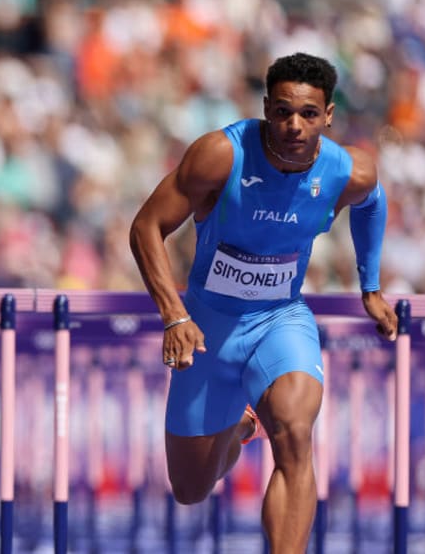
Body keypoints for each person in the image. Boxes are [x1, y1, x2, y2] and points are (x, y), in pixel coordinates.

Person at [130, 52, 397, 552]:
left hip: (281, 319)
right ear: (266, 108)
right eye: (282, 111)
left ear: (329, 115)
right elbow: (146, 226)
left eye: (309, 114)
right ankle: (242, 426)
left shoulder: (349, 170)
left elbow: (372, 202)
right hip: (207, 328)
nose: (294, 125)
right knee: (190, 489)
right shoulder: (221, 154)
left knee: (295, 431)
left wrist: (371, 288)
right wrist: (175, 316)